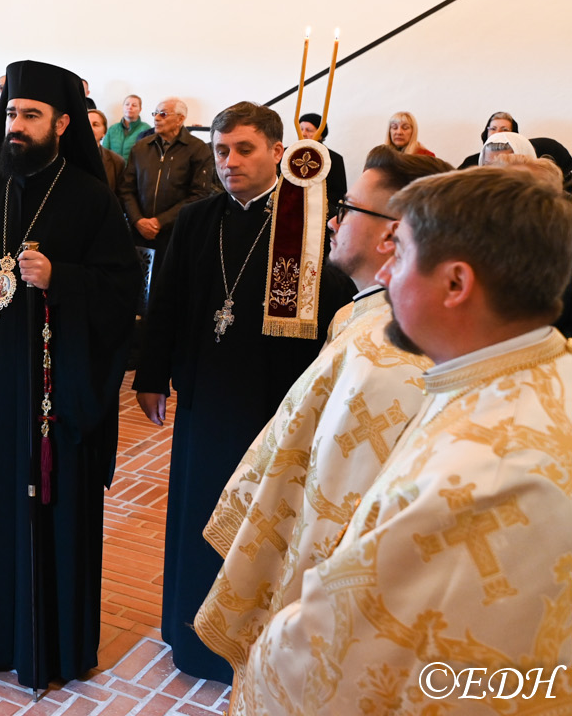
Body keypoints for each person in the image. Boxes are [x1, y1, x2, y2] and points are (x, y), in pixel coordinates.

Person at [236, 167, 572, 712]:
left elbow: (334, 654)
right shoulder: (533, 372)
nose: (386, 272)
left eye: (403, 253)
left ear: (456, 284)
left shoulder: (480, 473)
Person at [193, 145, 452, 689]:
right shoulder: (365, 320)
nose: (332, 220)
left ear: (391, 235)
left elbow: (337, 511)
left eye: (347, 208)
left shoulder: (383, 354)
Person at [0, 61, 141, 689]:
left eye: (31, 115)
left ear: (62, 123)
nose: (16, 125)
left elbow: (123, 290)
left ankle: (50, 646)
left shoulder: (91, 198)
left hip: (53, 397)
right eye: (12, 113)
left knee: (49, 515)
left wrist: (61, 279)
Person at [132, 101, 352, 681]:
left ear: (278, 152)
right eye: (221, 151)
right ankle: (192, 632)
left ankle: (253, 640)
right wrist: (151, 375)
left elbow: (330, 312)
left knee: (263, 516)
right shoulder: (197, 219)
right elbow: (165, 301)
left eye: (244, 149)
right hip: (205, 393)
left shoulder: (305, 221)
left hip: (271, 398)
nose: (229, 162)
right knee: (199, 508)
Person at [119, 97, 213, 272]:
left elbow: (199, 195)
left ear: (180, 119)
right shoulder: (140, 147)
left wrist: (160, 222)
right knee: (136, 280)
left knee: (168, 281)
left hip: (175, 233)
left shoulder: (198, 149)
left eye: (163, 114)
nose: (156, 118)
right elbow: (126, 189)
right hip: (139, 234)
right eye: (155, 113)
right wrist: (138, 220)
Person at [298, 111, 347, 220]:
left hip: (320, 214)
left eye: (309, 130)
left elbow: (339, 193)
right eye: (301, 129)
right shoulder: (287, 154)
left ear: (321, 135)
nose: (303, 133)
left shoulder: (334, 158)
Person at [86, 108, 126, 192]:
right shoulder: (68, 158)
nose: (90, 128)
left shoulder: (117, 162)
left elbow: (120, 194)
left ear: (104, 132)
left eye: (95, 125)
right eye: (86, 124)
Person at [102, 95, 151, 162]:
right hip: (114, 168)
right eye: (127, 104)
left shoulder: (146, 129)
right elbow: (104, 153)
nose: (130, 107)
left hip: (136, 168)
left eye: (134, 105)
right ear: (123, 107)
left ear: (140, 109)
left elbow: (148, 155)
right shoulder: (112, 129)